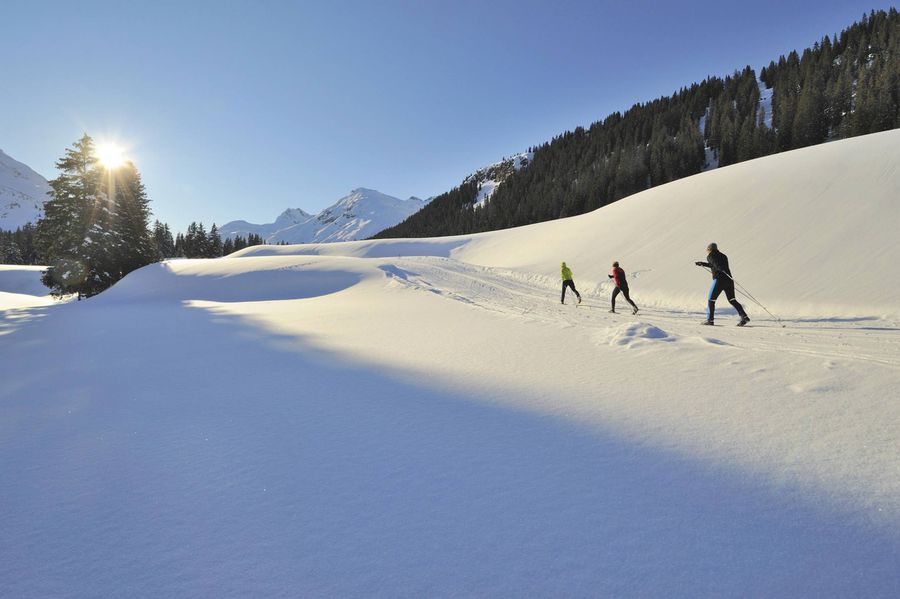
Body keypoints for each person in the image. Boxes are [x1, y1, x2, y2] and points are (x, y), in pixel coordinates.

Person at [695, 242, 750, 326]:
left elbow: (716, 264)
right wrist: (702, 264)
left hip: (719, 280)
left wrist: (719, 268)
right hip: (729, 280)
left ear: (709, 249)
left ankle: (710, 320)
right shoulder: (723, 255)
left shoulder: (710, 256)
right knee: (732, 300)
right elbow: (714, 264)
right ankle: (744, 317)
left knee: (711, 300)